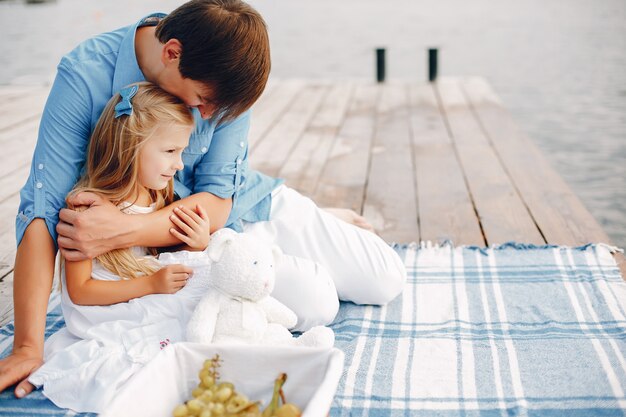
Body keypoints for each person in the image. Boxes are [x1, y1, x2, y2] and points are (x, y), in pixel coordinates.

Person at [0, 0, 407, 400]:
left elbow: (217, 198)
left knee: (384, 278)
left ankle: (311, 218)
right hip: (181, 248)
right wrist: (27, 347)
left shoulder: (224, 89)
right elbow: (42, 209)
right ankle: (277, 252)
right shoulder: (85, 74)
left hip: (235, 210)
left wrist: (129, 228)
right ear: (171, 53)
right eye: (203, 100)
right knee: (313, 301)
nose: (209, 116)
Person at [27, 82, 217, 412]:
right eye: (171, 152)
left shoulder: (156, 194)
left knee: (211, 280)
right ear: (130, 148)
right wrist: (150, 285)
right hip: (104, 306)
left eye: (181, 152)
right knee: (187, 312)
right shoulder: (87, 211)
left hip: (142, 286)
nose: (180, 165)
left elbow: (159, 255)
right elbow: (80, 292)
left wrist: (197, 244)